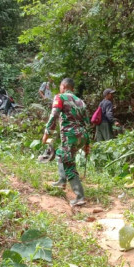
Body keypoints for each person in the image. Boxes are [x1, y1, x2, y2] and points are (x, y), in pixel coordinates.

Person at [42, 77, 90, 206]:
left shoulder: (60, 97)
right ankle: (62, 181)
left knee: (69, 164)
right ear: (72, 89)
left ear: (63, 87)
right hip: (82, 136)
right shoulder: (81, 102)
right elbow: (87, 123)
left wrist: (47, 133)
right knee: (60, 153)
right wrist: (87, 144)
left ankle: (80, 197)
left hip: (70, 136)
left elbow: (54, 115)